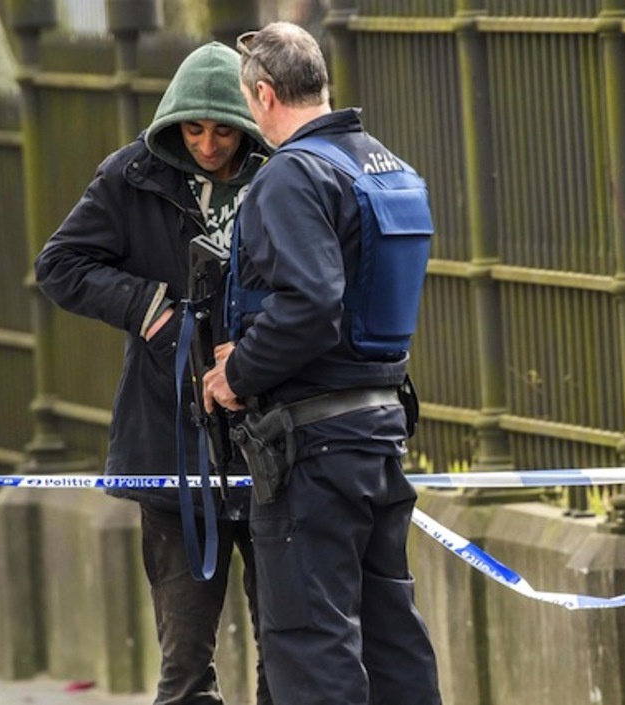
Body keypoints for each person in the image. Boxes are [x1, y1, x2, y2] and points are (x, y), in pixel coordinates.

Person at [202, 21, 442, 705]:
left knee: (311, 640)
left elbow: (311, 304)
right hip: (379, 431)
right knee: (391, 635)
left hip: (312, 446)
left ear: (264, 95)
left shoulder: (292, 175)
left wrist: (238, 371)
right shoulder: (387, 168)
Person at [34, 41, 271, 705]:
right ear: (173, 123)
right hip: (170, 444)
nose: (208, 145)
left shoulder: (281, 174)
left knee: (288, 651)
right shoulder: (130, 174)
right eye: (193, 130)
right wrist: (150, 311)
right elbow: (59, 265)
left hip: (267, 441)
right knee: (185, 664)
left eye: (223, 130)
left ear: (246, 124)